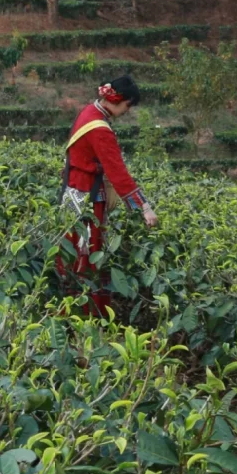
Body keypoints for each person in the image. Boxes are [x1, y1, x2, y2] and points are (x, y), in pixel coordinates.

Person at [59, 74, 158, 316]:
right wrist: (143, 207)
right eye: (128, 105)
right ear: (119, 100)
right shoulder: (100, 129)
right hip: (86, 198)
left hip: (73, 191)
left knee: (72, 253)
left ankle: (69, 311)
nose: (127, 111)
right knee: (88, 255)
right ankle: (86, 316)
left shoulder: (90, 112)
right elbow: (118, 172)